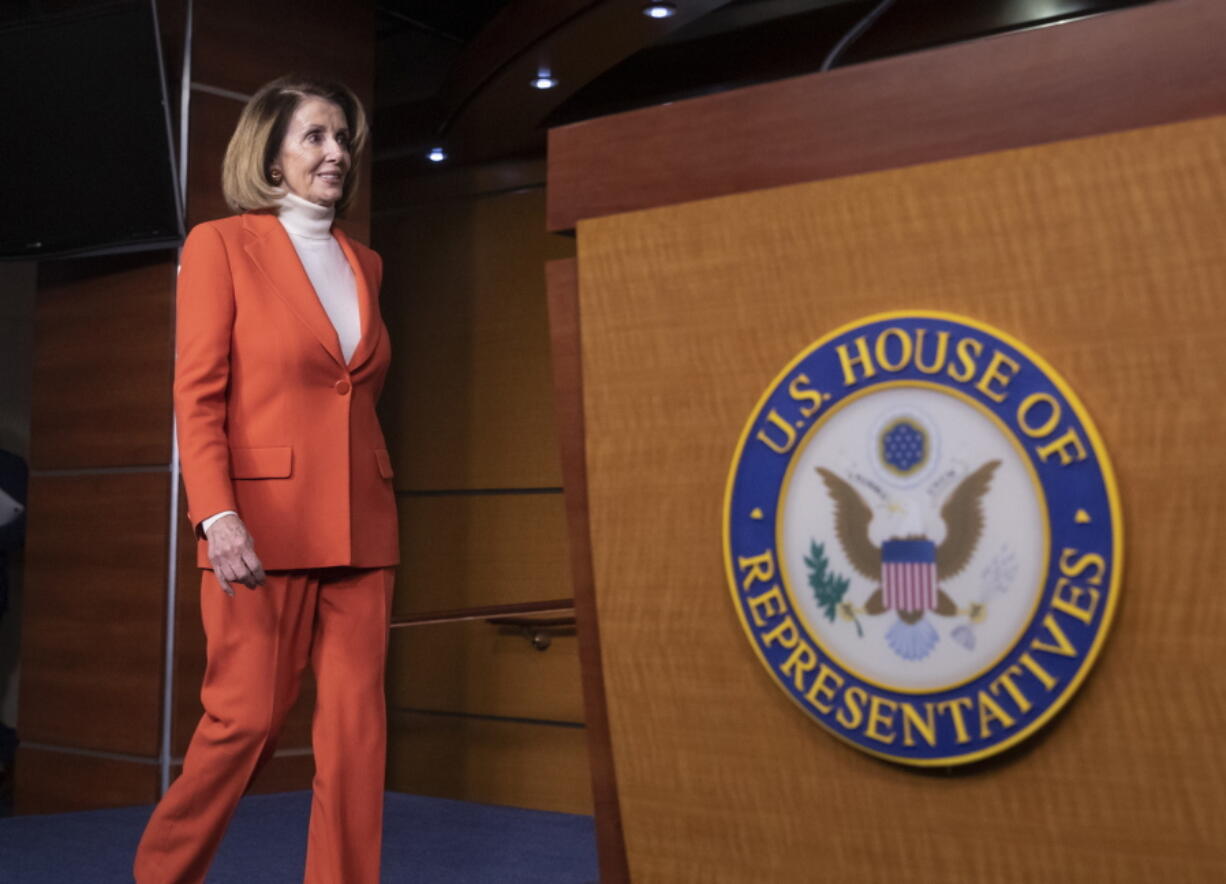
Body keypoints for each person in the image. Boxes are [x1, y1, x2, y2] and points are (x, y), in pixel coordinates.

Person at [134, 75, 399, 884]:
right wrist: (217, 515)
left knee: (356, 739)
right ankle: (160, 876)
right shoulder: (220, 245)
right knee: (243, 721)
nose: (335, 152)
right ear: (271, 154)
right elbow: (197, 393)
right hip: (258, 525)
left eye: (342, 139)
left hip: (363, 526)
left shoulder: (368, 262)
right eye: (315, 136)